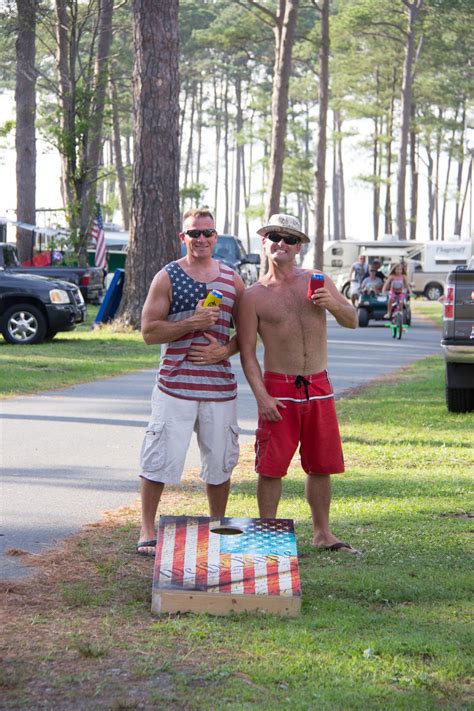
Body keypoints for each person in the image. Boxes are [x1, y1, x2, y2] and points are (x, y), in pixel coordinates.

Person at [238, 213, 359, 554]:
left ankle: (323, 533)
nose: (282, 243)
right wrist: (262, 397)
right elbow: (247, 353)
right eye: (275, 236)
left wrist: (332, 303)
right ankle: (267, 534)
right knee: (272, 466)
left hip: (319, 385)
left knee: (322, 464)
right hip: (279, 387)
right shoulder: (253, 296)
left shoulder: (317, 280)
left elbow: (352, 320)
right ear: (264, 242)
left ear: (299, 246)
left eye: (290, 239)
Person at [137, 208, 245, 556]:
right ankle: (147, 529)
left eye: (207, 233)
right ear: (182, 238)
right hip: (175, 387)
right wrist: (191, 323)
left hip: (219, 389)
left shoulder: (232, 279)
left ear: (216, 237)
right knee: (159, 458)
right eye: (193, 234)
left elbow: (249, 332)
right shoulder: (167, 276)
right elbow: (149, 332)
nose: (201, 239)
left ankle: (219, 524)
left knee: (220, 462)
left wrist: (224, 351)